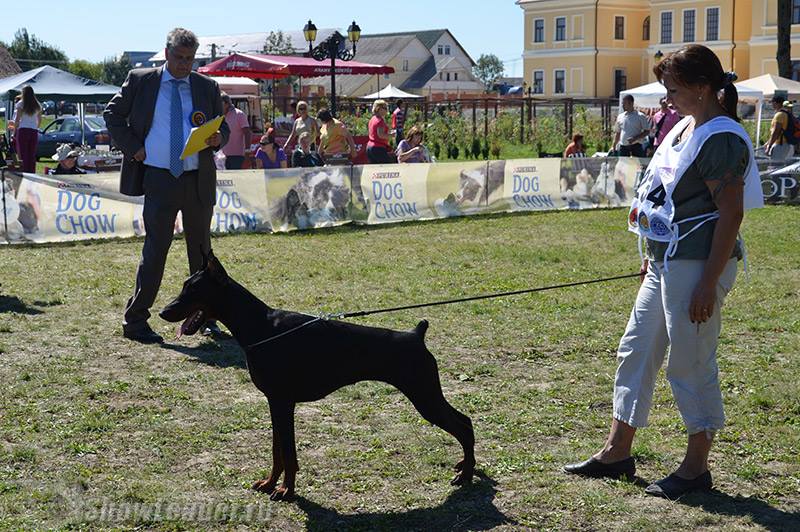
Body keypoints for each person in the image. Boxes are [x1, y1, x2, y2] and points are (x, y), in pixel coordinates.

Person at [564, 44, 764, 500]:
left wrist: (708, 283)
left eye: (673, 90)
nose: (666, 99)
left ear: (700, 87)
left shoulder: (722, 137)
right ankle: (617, 452)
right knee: (635, 350)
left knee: (690, 361)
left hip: (698, 266)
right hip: (667, 262)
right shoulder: (685, 129)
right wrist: (650, 254)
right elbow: (667, 199)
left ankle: (696, 469)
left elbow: (730, 214)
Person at [104, 27, 229, 344]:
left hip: (197, 179)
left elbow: (222, 127)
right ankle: (135, 322)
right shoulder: (141, 80)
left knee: (202, 255)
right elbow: (113, 115)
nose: (185, 64)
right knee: (155, 250)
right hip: (159, 177)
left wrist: (218, 138)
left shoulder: (206, 86)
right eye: (179, 57)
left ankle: (206, 316)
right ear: (166, 52)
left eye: (190, 59)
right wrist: (134, 146)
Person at [13, 85, 42, 173]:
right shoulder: (37, 104)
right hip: (33, 131)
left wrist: (14, 131)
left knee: (23, 154)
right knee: (31, 154)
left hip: (23, 130)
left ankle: (24, 172)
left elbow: (17, 119)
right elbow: (40, 119)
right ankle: (32, 172)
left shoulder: (21, 103)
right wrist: (35, 127)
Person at [221, 92, 251, 170]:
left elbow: (247, 133)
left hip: (237, 156)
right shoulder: (219, 116)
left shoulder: (239, 114)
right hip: (221, 156)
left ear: (226, 104)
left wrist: (247, 152)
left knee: (236, 180)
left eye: (220, 103)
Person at [764, 95, 795, 163]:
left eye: (772, 103)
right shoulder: (788, 114)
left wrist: (769, 146)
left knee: (775, 168)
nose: (772, 105)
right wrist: (768, 142)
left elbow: (776, 132)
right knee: (784, 169)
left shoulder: (779, 115)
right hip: (789, 145)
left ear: (776, 103)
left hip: (780, 146)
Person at [367, 99, 392, 164]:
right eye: (385, 108)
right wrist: (392, 135)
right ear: (379, 108)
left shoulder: (373, 119)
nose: (387, 110)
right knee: (386, 168)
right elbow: (381, 135)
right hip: (378, 148)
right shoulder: (380, 121)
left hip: (370, 147)